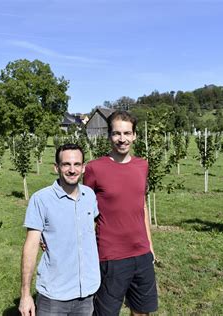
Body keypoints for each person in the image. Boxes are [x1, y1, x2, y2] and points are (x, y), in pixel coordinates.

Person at [84, 110, 158, 316]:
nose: (122, 139)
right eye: (117, 133)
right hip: (111, 256)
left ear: (134, 135)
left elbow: (141, 206)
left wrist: (149, 246)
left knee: (141, 311)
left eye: (127, 133)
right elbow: (85, 212)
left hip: (141, 253)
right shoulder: (94, 169)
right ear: (109, 135)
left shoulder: (142, 166)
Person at [19, 143, 100, 316]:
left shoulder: (89, 196)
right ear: (56, 167)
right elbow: (31, 247)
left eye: (77, 164)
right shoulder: (41, 200)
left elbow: (91, 227)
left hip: (86, 292)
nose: (72, 170)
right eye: (66, 164)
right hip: (54, 295)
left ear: (83, 167)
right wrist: (25, 295)